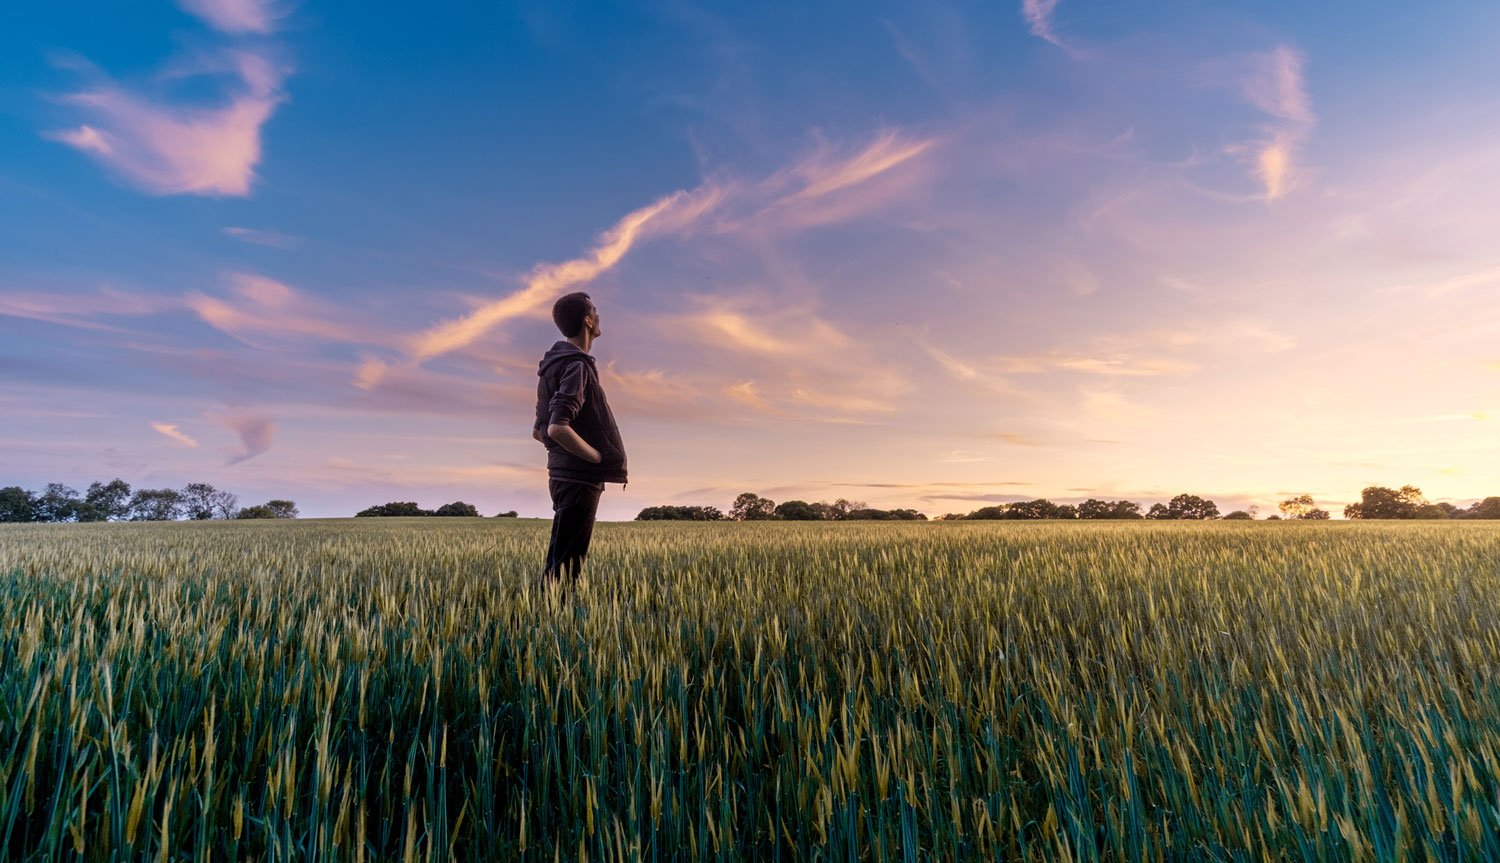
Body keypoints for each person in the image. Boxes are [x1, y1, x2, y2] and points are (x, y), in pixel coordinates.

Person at [533, 292, 628, 584]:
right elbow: (556, 428)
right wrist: (597, 458)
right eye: (595, 312)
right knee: (568, 567)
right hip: (578, 478)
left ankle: (545, 620)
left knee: (559, 562)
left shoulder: (553, 365)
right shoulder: (576, 365)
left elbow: (538, 430)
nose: (599, 317)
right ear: (587, 321)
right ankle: (553, 624)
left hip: (561, 475)